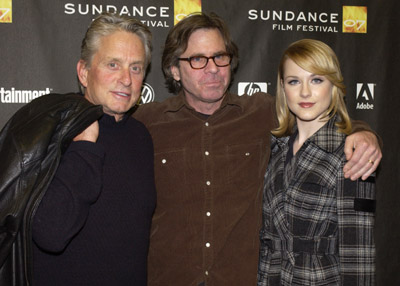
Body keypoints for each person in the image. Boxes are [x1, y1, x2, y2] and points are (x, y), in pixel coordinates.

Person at [133, 12, 381, 286]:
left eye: (220, 56)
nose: (213, 68)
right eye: (197, 59)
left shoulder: (262, 113)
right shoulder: (146, 122)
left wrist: (364, 133)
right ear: (174, 70)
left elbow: (317, 115)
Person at [0, 12, 155, 286]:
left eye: (136, 67)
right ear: (84, 72)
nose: (126, 79)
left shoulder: (140, 136)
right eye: (112, 64)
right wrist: (84, 146)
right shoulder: (55, 127)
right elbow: (51, 233)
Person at [257, 39, 376, 285]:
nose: (304, 92)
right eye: (294, 81)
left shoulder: (352, 153)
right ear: (283, 87)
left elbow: (358, 253)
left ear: (333, 84)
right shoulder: (276, 150)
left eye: (316, 80)